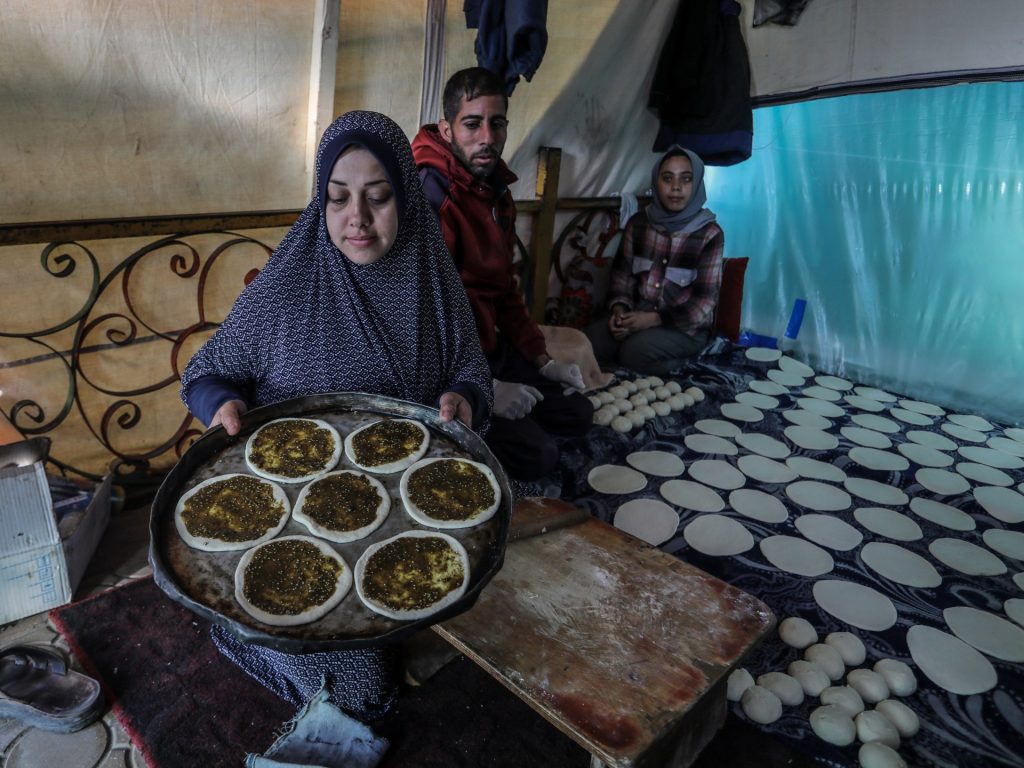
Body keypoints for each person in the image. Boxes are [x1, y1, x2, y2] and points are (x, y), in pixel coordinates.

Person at [179, 110, 493, 719]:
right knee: (365, 690)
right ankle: (235, 629)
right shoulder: (291, 282)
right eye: (338, 198)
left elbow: (470, 369)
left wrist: (464, 400)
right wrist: (222, 403)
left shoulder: (431, 275)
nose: (358, 218)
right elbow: (207, 372)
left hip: (404, 503)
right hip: (294, 519)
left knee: (484, 594)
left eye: (378, 197)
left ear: (403, 196)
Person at [411, 66, 593, 482]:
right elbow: (422, 321)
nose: (487, 138)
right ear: (446, 129)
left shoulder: (495, 190)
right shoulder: (432, 195)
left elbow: (504, 290)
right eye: (472, 124)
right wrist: (487, 389)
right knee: (540, 456)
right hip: (449, 369)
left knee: (579, 412)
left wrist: (543, 360)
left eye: (497, 124)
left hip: (492, 348)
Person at [585, 145, 724, 376]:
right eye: (667, 178)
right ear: (656, 182)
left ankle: (688, 362)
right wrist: (620, 311)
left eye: (686, 179)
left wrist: (653, 320)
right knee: (589, 342)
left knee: (634, 352)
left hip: (684, 327)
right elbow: (622, 277)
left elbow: (704, 302)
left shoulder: (709, 233)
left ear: (697, 183)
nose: (676, 187)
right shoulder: (639, 223)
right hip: (637, 315)